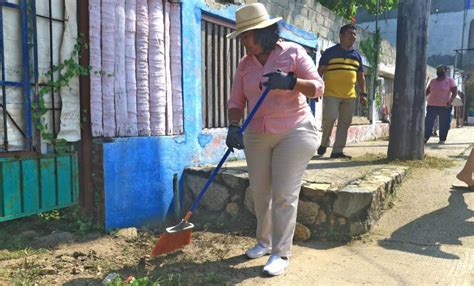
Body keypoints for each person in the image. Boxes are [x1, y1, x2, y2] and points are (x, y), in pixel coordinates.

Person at [225, 3, 324, 276]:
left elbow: (318, 87)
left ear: (263, 32)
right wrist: (234, 126)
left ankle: (281, 253)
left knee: (283, 194)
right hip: (257, 133)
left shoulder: (292, 52)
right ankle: (264, 242)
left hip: (295, 131)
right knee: (260, 192)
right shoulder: (245, 65)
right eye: (242, 36)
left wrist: (291, 82)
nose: (243, 41)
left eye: (246, 35)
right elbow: (236, 101)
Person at [316, 24, 367, 160]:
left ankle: (337, 151)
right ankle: (324, 142)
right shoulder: (330, 52)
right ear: (341, 35)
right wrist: (315, 89)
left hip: (350, 96)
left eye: (355, 34)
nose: (353, 36)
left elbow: (360, 77)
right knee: (330, 118)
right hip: (331, 94)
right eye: (350, 33)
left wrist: (363, 94)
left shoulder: (357, 56)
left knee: (345, 123)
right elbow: (319, 72)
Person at [424, 65, 457, 144]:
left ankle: (442, 139)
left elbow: (455, 92)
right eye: (438, 71)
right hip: (432, 105)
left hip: (445, 106)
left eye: (441, 71)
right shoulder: (433, 81)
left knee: (444, 124)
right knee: (428, 122)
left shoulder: (450, 81)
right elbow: (427, 91)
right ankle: (425, 138)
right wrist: (421, 98)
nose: (440, 73)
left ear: (446, 72)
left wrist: (451, 101)